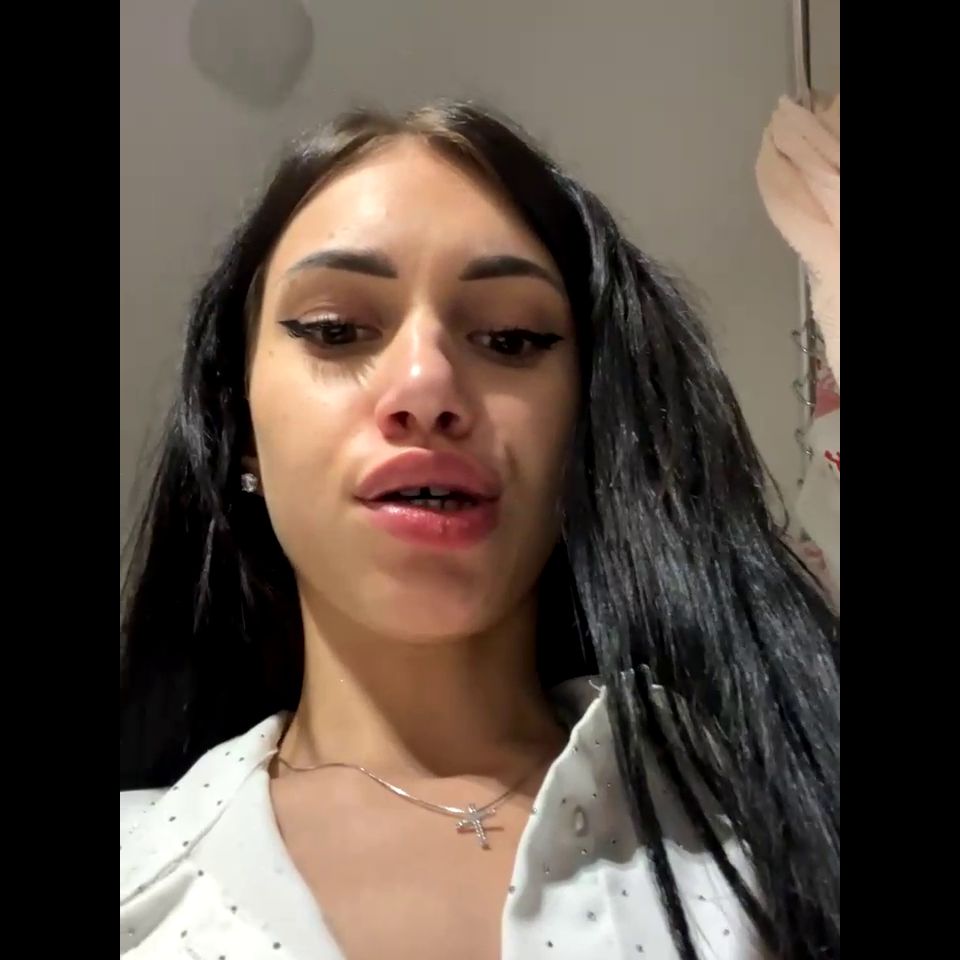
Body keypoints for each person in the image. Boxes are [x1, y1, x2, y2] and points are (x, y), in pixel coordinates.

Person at [120, 101, 839, 960]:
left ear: (586, 423)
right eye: (336, 331)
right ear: (239, 427)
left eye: (511, 338)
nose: (426, 386)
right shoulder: (139, 874)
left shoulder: (774, 813)